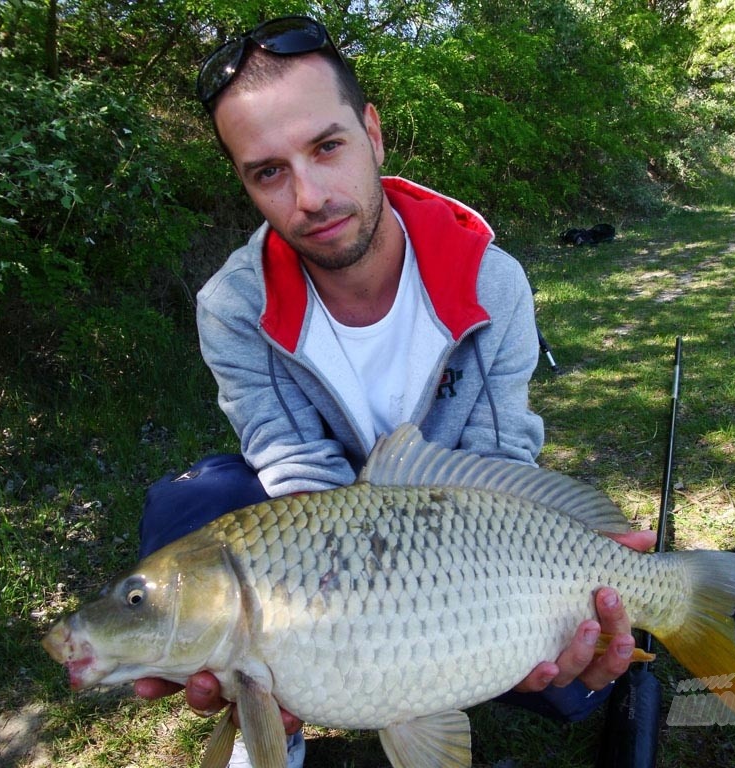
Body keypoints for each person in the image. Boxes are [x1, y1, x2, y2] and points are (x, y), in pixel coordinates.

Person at [133, 15, 653, 767]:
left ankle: (430, 667)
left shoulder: (490, 282)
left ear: (372, 134)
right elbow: (290, 466)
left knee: (570, 677)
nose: (309, 196)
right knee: (193, 504)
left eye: (327, 147)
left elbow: (498, 460)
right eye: (269, 172)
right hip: (319, 527)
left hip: (455, 525)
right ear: (246, 183)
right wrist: (307, 635)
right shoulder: (231, 307)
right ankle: (283, 705)